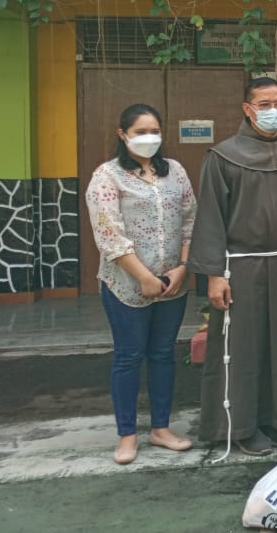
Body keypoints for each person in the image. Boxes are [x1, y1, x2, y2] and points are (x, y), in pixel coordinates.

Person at [190, 77, 277, 457]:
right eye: (264, 104)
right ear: (247, 110)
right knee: (244, 351)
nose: (273, 110)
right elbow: (211, 217)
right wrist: (215, 275)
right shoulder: (223, 156)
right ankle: (242, 428)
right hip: (242, 270)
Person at [85, 103, 196, 465]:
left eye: (155, 131)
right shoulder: (107, 176)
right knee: (129, 356)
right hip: (126, 285)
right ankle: (127, 434)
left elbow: (190, 220)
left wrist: (183, 267)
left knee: (163, 354)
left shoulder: (175, 171)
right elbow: (108, 234)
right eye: (140, 132)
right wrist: (144, 276)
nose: (149, 138)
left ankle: (161, 428)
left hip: (173, 283)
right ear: (123, 135)